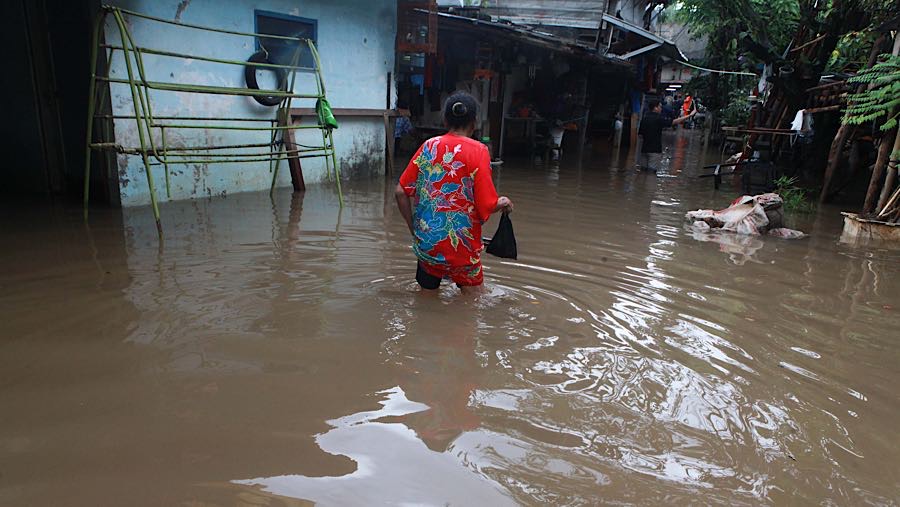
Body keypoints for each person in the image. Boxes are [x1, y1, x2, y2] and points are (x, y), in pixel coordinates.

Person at [395, 91, 514, 290]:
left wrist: (414, 229)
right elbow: (486, 204)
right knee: (472, 304)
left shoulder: (428, 146)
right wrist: (503, 202)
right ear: (474, 123)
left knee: (425, 302)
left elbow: (400, 192)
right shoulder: (479, 151)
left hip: (428, 245)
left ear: (445, 120)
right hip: (462, 247)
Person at [637, 99, 695, 173]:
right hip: (655, 151)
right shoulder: (659, 118)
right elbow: (674, 122)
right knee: (651, 175)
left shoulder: (644, 119)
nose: (661, 109)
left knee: (642, 173)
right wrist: (689, 115)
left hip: (644, 150)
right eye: (660, 107)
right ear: (655, 108)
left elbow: (640, 136)